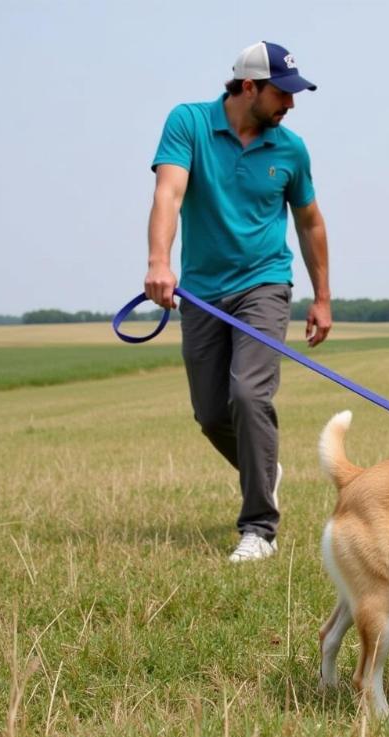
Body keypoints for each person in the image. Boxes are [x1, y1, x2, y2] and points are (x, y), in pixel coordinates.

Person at [144, 41, 331, 563]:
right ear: (248, 87)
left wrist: (322, 298)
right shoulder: (190, 123)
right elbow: (169, 194)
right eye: (282, 93)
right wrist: (160, 261)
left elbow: (310, 222)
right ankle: (264, 465)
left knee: (249, 395)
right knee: (210, 413)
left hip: (264, 285)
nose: (290, 105)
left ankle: (259, 529)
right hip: (203, 291)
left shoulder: (291, 149)